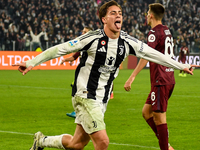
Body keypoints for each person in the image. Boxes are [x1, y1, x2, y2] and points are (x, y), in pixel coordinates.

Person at [12, 1, 197, 150]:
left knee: (77, 143)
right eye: (113, 13)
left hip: (102, 99)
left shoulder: (127, 41)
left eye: (120, 13)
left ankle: (41, 141)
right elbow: (59, 49)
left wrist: (181, 65)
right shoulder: (92, 38)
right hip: (85, 95)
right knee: (103, 142)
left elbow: (154, 54)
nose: (118, 15)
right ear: (103, 19)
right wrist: (30, 63)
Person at [124, 3, 185, 150]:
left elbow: (146, 55)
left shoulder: (153, 32)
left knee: (159, 118)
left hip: (160, 80)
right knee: (146, 112)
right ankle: (166, 144)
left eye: (147, 13)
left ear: (151, 15)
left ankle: (165, 147)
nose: (146, 15)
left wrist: (132, 77)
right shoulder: (167, 30)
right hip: (168, 78)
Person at [60, 26, 94, 118]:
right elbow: (74, 57)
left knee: (82, 93)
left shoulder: (92, 46)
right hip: (81, 73)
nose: (82, 33)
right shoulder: (82, 46)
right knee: (76, 91)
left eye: (85, 32)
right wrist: (65, 60)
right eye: (82, 31)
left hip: (88, 73)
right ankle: (79, 111)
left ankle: (82, 112)